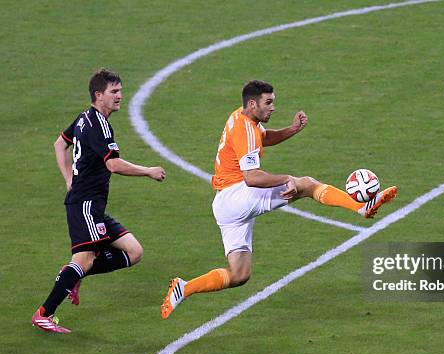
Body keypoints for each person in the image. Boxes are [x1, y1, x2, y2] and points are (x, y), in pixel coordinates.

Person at [161, 80, 397, 319]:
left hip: (226, 203)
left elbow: (263, 138)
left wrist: (292, 129)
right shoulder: (244, 129)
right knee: (306, 184)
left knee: (239, 274)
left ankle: (184, 288)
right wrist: (288, 179)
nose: (273, 107)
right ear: (253, 104)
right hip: (236, 195)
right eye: (268, 102)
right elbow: (252, 177)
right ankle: (360, 206)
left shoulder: (244, 118)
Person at [32, 69, 166, 333]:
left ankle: (73, 274)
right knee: (84, 259)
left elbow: (60, 144)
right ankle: (43, 314)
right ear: (98, 95)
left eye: (120, 90)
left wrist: (68, 178)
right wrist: (148, 171)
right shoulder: (99, 124)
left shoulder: (84, 118)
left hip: (92, 206)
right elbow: (113, 164)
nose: (120, 96)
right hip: (85, 205)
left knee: (134, 252)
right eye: (114, 92)